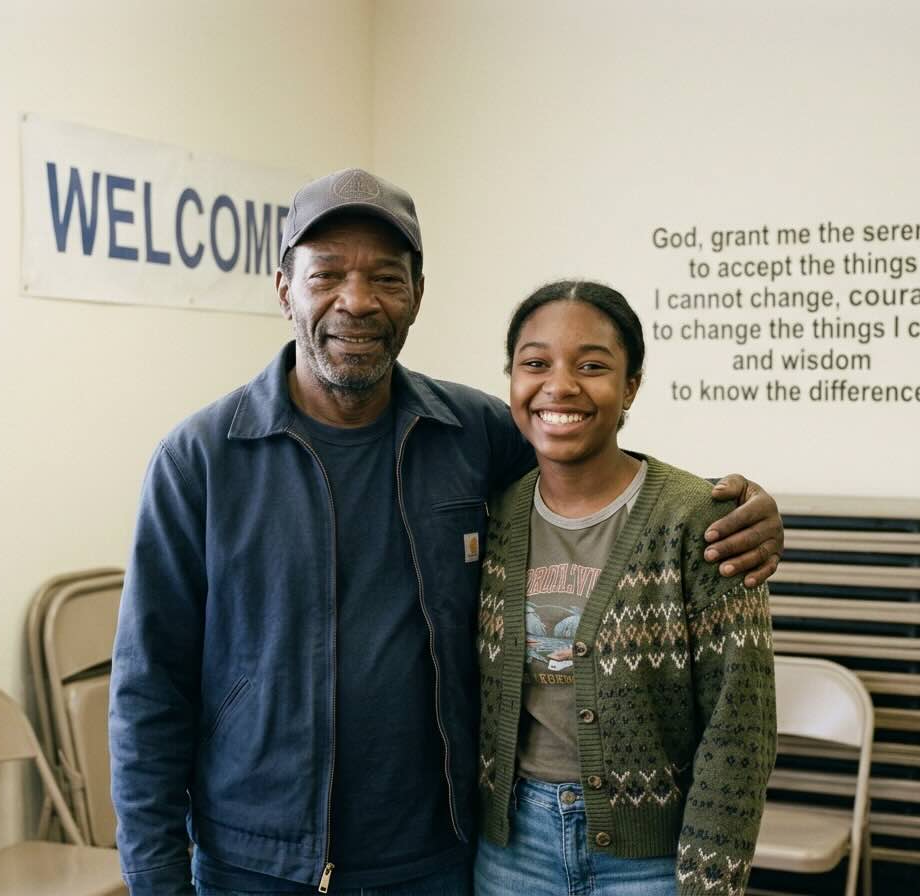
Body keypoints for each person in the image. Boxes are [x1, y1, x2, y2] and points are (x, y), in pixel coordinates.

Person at [109, 169, 784, 896]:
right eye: (327, 274)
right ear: (284, 290)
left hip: (437, 856)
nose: (357, 301)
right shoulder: (203, 458)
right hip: (255, 864)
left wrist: (741, 508)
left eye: (386, 279)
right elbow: (150, 688)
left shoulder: (472, 433)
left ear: (417, 296)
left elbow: (593, 471)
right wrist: (156, 879)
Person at [474, 281, 777, 896]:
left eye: (592, 366)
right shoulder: (491, 514)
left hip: (652, 862)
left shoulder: (700, 518)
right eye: (535, 363)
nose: (560, 386)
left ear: (631, 385)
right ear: (512, 379)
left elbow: (739, 721)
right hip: (511, 848)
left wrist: (709, 880)